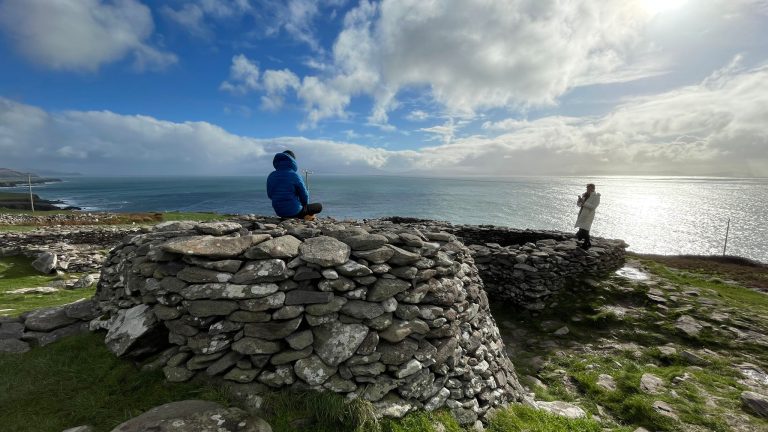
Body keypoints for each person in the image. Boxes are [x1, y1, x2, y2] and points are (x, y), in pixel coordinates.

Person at [266, 150, 322, 220]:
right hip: (294, 212)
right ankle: (306, 216)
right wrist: (305, 206)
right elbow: (304, 195)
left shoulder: (271, 175)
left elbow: (270, 195)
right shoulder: (294, 175)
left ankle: (303, 216)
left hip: (279, 212)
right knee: (319, 206)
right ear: (293, 161)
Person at [575, 183, 600, 249]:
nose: (588, 190)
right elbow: (579, 205)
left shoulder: (596, 197)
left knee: (585, 229)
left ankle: (586, 243)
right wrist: (579, 201)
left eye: (590, 189)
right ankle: (587, 242)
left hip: (588, 215)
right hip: (582, 213)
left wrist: (584, 203)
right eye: (588, 188)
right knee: (582, 228)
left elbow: (593, 207)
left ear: (593, 189)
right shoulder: (584, 195)